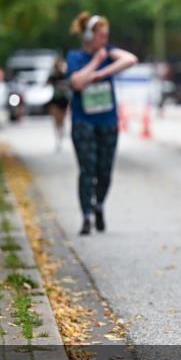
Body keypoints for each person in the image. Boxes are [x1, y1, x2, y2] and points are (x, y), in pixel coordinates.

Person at [66, 12, 138, 236]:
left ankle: (99, 204)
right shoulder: (75, 57)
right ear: (89, 36)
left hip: (107, 120)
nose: (104, 41)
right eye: (101, 36)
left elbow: (131, 59)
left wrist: (101, 72)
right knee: (87, 169)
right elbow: (76, 82)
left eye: (107, 36)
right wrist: (96, 62)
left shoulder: (109, 53)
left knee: (104, 170)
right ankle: (86, 215)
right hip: (83, 121)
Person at [46, 56, 71, 151]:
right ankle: (58, 138)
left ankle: (60, 137)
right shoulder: (53, 76)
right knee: (56, 120)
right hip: (56, 100)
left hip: (63, 100)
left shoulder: (65, 75)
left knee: (61, 120)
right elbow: (47, 83)